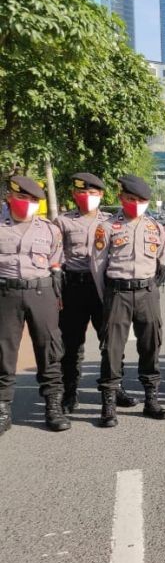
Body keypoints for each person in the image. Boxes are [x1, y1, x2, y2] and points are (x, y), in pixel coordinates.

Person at [91, 176, 165, 427]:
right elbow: (97, 266)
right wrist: (109, 295)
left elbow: (162, 262)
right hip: (118, 292)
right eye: (131, 199)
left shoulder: (155, 227)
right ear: (121, 198)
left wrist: (149, 288)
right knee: (112, 349)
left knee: (151, 346)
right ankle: (109, 406)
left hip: (147, 292)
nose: (136, 204)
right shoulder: (107, 227)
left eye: (141, 200)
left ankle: (151, 400)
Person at [55, 172, 137, 413]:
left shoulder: (111, 221)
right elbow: (56, 256)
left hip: (104, 287)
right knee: (71, 343)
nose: (87, 197)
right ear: (74, 195)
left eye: (93, 193)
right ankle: (70, 392)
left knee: (112, 342)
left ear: (101, 195)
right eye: (82, 192)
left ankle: (114, 388)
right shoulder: (62, 222)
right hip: (74, 286)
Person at [0, 176, 70, 433]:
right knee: (3, 352)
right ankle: (3, 409)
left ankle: (53, 406)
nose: (26, 203)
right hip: (5, 294)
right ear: (9, 197)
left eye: (32, 200)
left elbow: (55, 263)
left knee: (49, 349)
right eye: (21, 198)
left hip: (41, 292)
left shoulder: (49, 229)